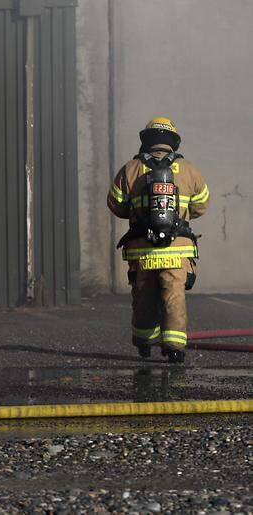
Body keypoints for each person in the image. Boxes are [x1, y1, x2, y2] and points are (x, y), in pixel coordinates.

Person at [107, 118, 209, 363]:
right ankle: (174, 348)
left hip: (142, 250)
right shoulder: (189, 170)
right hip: (177, 249)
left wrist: (136, 213)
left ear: (146, 140)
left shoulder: (130, 169)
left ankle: (143, 342)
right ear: (173, 141)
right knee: (173, 296)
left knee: (143, 295)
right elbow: (201, 206)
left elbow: (116, 205)